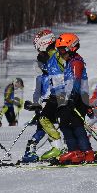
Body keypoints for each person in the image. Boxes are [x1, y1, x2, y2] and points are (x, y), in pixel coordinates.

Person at [54, 32, 94, 164]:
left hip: (78, 98)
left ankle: (85, 152)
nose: (60, 53)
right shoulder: (70, 62)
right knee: (65, 124)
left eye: (62, 50)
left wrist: (72, 97)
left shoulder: (77, 62)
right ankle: (75, 151)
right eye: (59, 50)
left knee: (76, 124)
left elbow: (77, 81)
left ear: (71, 47)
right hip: (71, 97)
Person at [33, 29, 66, 160]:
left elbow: (65, 70)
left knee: (46, 119)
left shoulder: (56, 56)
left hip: (62, 92)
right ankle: (61, 147)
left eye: (38, 47)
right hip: (56, 93)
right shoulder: (50, 57)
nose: (38, 51)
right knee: (52, 119)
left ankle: (59, 147)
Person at [22, 52, 53, 163]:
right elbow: (37, 93)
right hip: (44, 107)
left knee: (54, 128)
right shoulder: (40, 78)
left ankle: (59, 148)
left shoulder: (54, 76)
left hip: (53, 105)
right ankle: (30, 150)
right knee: (43, 129)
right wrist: (36, 105)